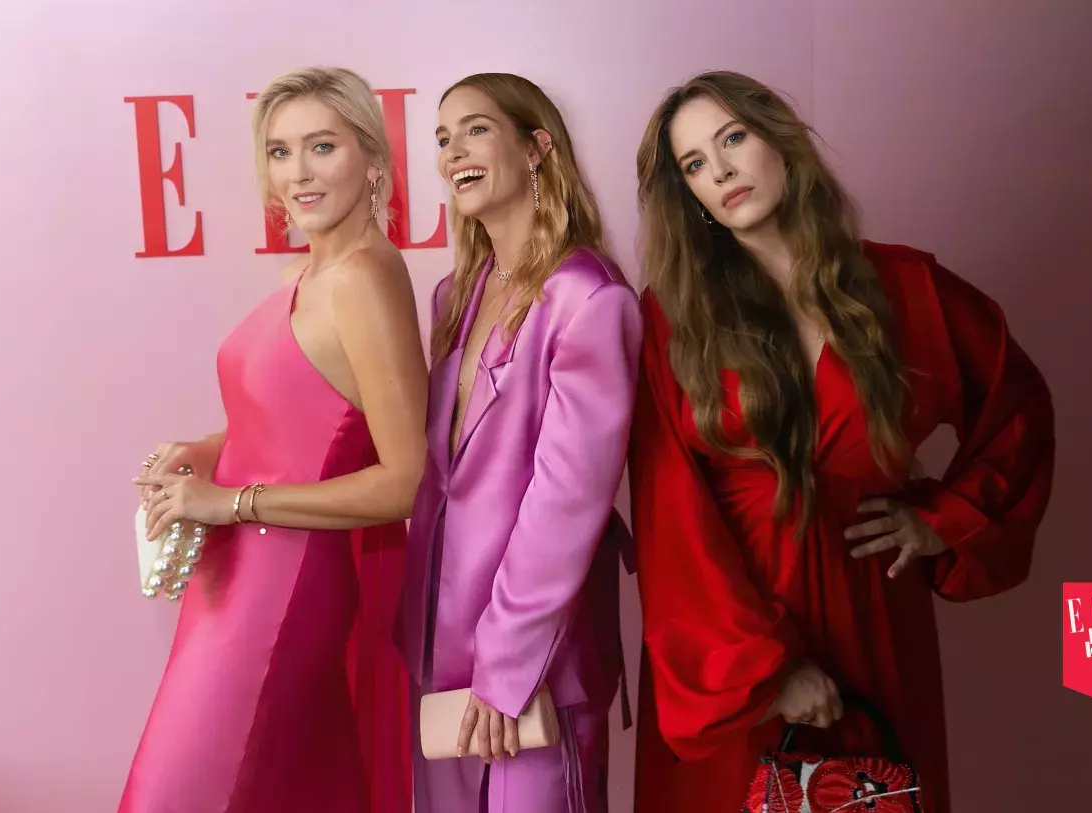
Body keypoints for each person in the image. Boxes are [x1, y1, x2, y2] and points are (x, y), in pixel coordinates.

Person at [629, 70, 1055, 813]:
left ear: (780, 141)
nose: (720, 170)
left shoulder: (906, 287)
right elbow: (670, 517)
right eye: (694, 163)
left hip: (873, 622)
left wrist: (944, 519)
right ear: (687, 194)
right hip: (734, 647)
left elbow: (1018, 409)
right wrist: (763, 674)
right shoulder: (670, 320)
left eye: (733, 138)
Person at [120, 67, 425, 813]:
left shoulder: (362, 278)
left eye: (322, 146)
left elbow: (403, 480)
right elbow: (304, 415)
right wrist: (206, 448)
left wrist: (229, 502)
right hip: (237, 580)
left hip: (283, 588)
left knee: (182, 793)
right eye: (281, 152)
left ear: (372, 159)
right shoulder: (309, 270)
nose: (298, 173)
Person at [395, 72, 641, 813]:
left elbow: (568, 502)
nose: (452, 151)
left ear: (537, 148)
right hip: (439, 658)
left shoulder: (588, 297)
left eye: (475, 128)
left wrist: (505, 667)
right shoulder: (453, 296)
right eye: (442, 137)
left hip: (536, 665)